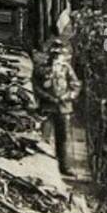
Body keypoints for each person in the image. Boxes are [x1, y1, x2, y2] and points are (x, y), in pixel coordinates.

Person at [33, 35, 82, 176]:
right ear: (49, 53)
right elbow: (36, 87)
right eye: (53, 52)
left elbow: (76, 85)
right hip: (48, 106)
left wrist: (68, 96)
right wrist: (48, 97)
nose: (55, 55)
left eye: (58, 53)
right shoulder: (41, 68)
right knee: (44, 138)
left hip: (63, 107)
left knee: (64, 138)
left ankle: (65, 167)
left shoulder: (66, 68)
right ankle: (43, 168)